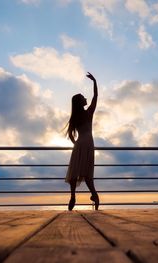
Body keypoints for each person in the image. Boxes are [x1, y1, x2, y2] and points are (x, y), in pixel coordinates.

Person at [65, 72, 99, 211]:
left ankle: (73, 196)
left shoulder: (75, 117)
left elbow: (71, 135)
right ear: (81, 102)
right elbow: (95, 97)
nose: (86, 99)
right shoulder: (89, 113)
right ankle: (95, 195)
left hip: (79, 144)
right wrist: (94, 82)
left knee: (74, 173)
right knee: (87, 173)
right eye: (83, 98)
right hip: (89, 143)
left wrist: (76, 145)